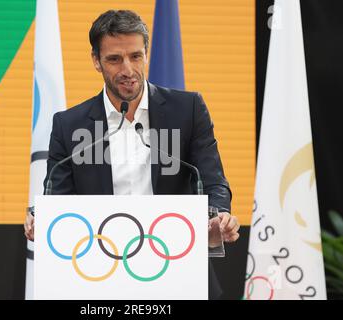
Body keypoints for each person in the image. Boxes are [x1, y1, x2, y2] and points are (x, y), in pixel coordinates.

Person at [24, 9, 240, 299]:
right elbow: (58, 198)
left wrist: (217, 216)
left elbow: (212, 180)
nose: (127, 69)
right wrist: (44, 220)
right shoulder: (69, 125)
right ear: (96, 61)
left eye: (135, 56)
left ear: (147, 54)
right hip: (99, 275)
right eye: (114, 59)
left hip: (177, 269)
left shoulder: (187, 110)